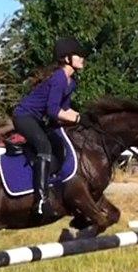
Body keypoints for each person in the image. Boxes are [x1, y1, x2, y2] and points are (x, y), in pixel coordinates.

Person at [12, 37, 87, 219]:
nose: (83, 58)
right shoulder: (59, 78)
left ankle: (53, 187)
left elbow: (66, 109)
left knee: (59, 146)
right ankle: (40, 201)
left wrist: (85, 118)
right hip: (24, 116)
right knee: (44, 147)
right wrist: (78, 118)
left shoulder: (71, 82)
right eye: (79, 55)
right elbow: (53, 111)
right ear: (67, 58)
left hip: (38, 119)